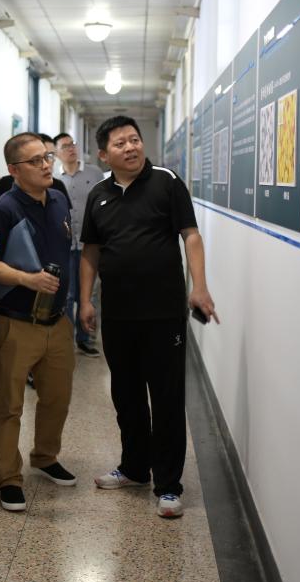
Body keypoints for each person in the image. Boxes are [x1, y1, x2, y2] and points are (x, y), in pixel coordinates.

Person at [79, 116, 219, 519]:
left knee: (167, 397)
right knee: (126, 396)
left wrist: (199, 286)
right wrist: (85, 301)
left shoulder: (166, 182)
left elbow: (190, 235)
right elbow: (91, 251)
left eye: (134, 139)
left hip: (163, 313)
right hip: (118, 314)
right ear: (104, 154)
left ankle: (169, 485)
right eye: (120, 143)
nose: (131, 147)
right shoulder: (99, 195)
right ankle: (135, 468)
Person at [0, 132, 78, 512]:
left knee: (57, 397)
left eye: (47, 157)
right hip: (17, 323)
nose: (46, 165)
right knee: (9, 404)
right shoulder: (2, 210)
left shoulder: (59, 199)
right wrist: (27, 279)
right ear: (15, 170)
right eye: (35, 161)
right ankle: (8, 477)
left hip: (58, 320)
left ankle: (45, 456)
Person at [54, 132, 103, 357]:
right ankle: (67, 340)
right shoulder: (55, 179)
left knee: (89, 294)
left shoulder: (94, 173)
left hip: (90, 245)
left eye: (72, 144)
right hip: (64, 246)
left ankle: (85, 339)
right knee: (68, 295)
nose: (71, 148)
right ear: (57, 153)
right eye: (65, 146)